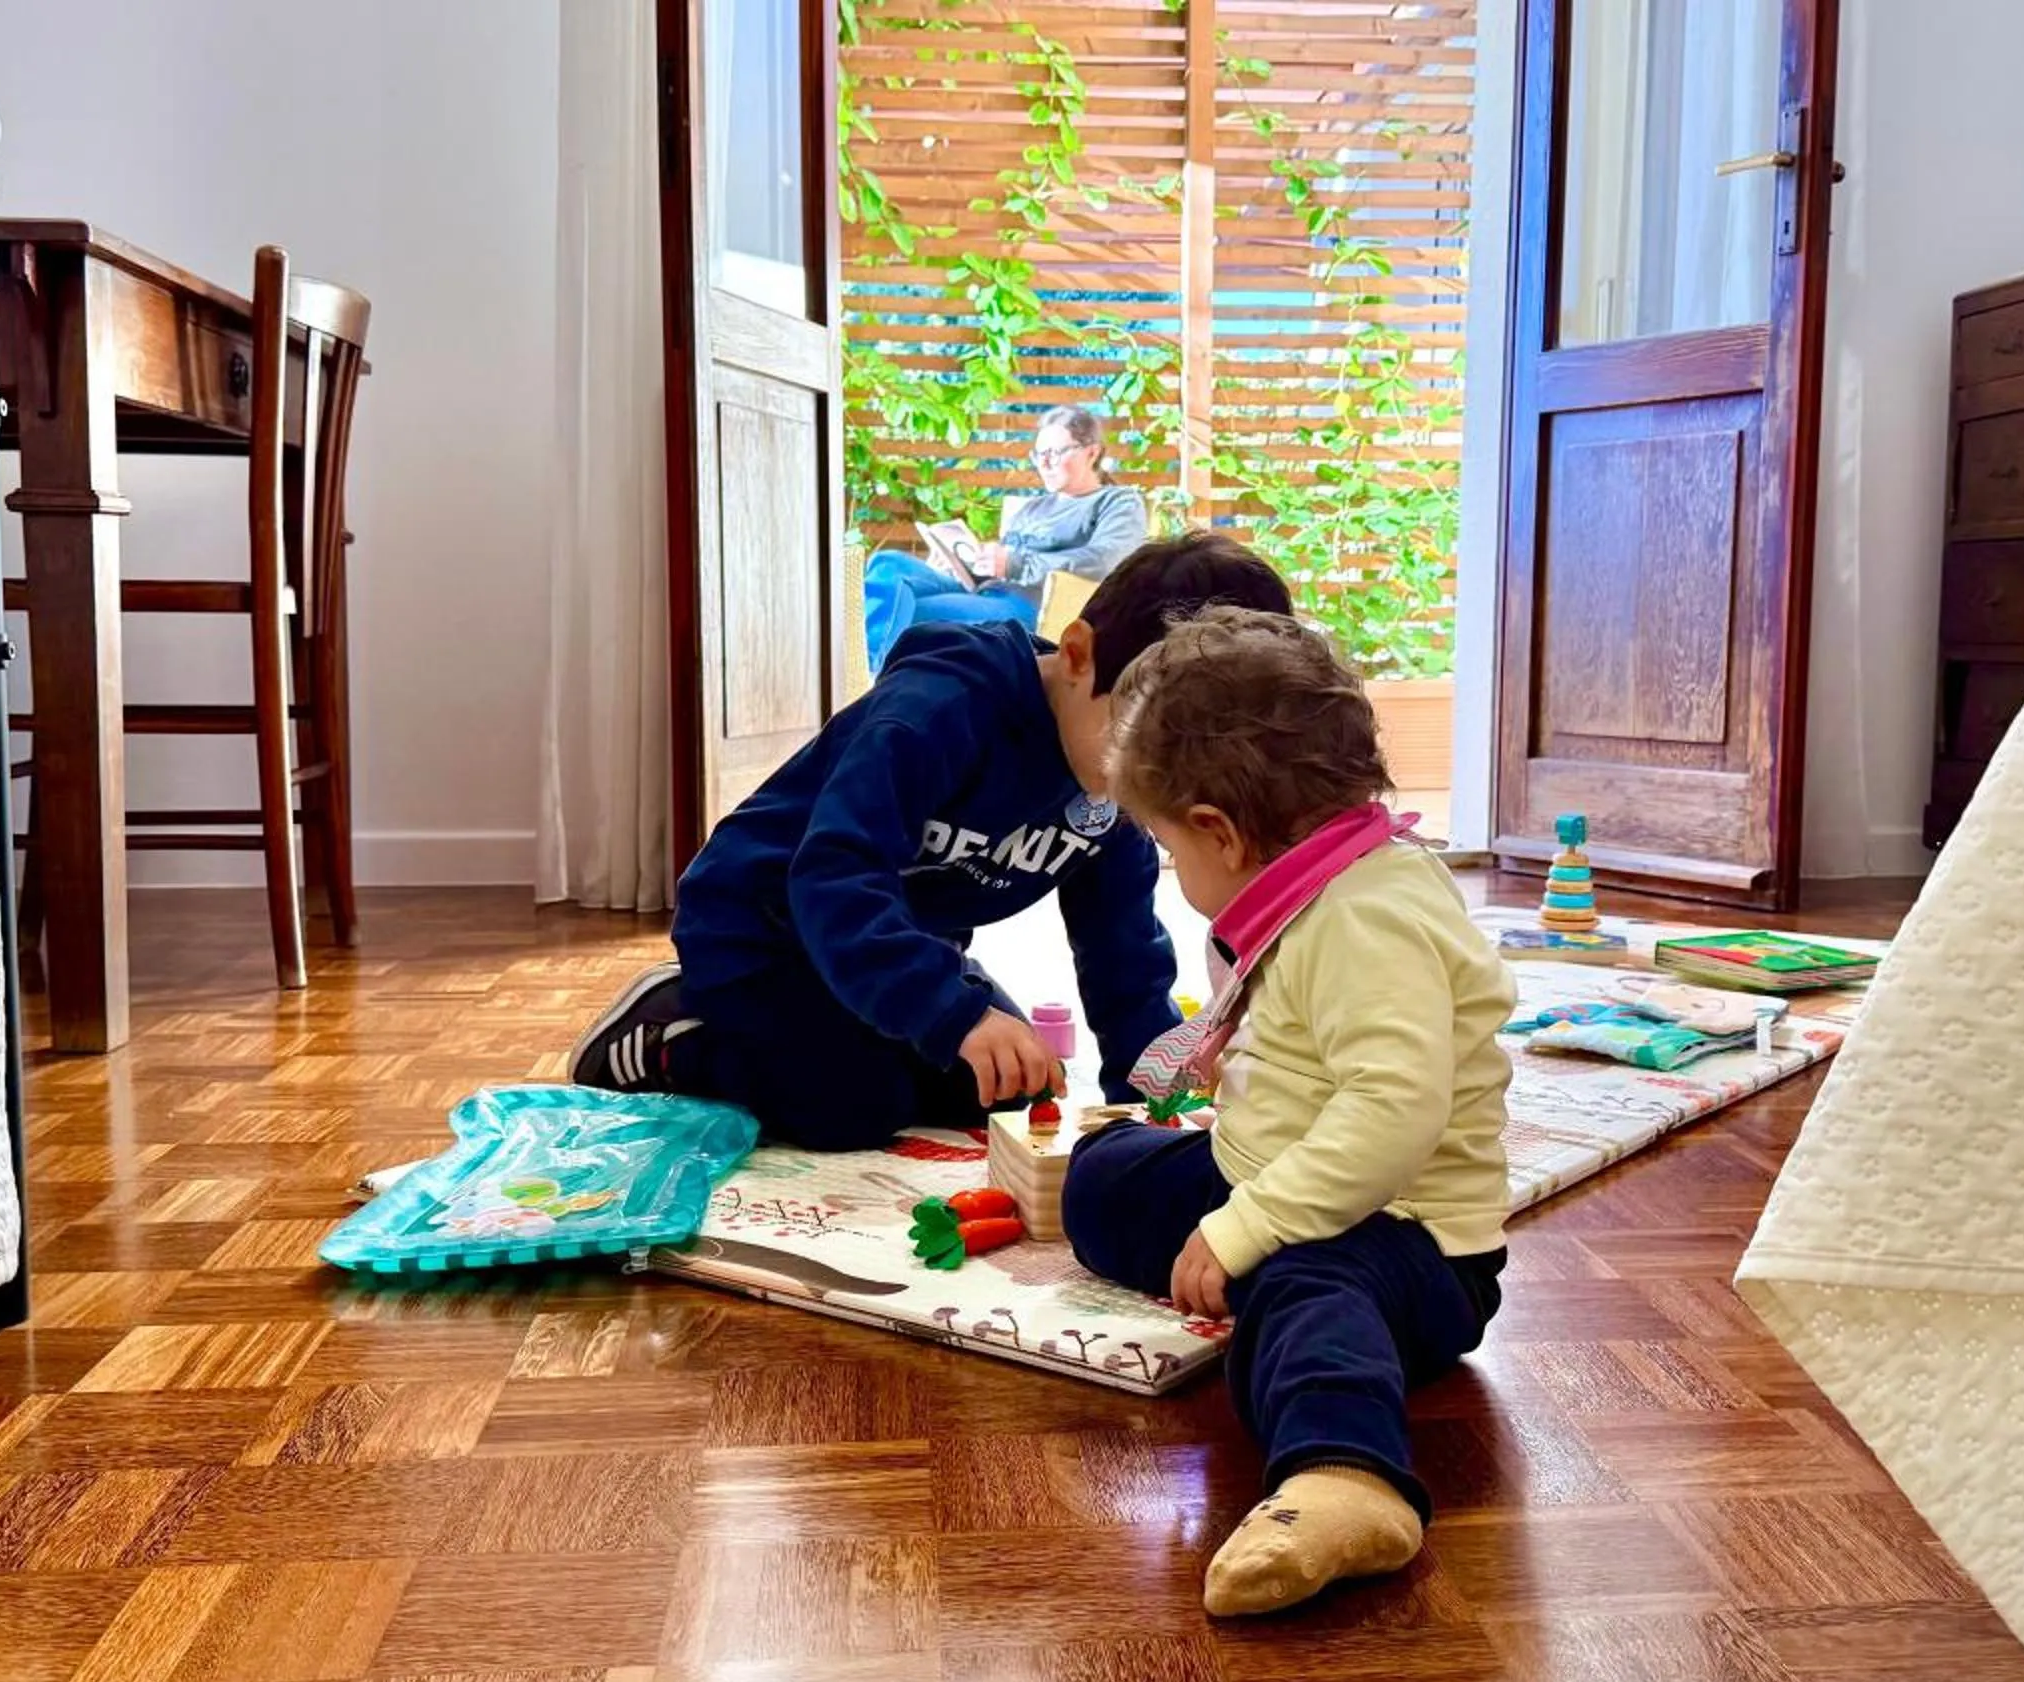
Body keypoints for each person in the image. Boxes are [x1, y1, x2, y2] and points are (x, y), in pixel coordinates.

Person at [1058, 608, 1514, 1618]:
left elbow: (1394, 1109)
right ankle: (1242, 1245)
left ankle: (1345, 1477)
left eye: (1171, 849)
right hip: (1285, 1173)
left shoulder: (1368, 916)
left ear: (1219, 828)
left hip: (1406, 1238)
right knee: (1102, 1180)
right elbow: (1319, 1050)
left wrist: (1248, 1226)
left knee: (1301, 1281)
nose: (1178, 876)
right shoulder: (1322, 886)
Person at [567, 533, 1294, 1152]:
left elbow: (1122, 952)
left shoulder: (1122, 784)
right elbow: (832, 873)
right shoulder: (939, 711)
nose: (1157, 777)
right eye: (1147, 740)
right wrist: (956, 1014)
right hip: (764, 932)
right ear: (1078, 655)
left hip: (896, 944)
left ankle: (875, 1026)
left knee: (1007, 1091)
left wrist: (1152, 1101)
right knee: (855, 1106)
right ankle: (672, 1031)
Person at [860, 404, 1152, 671]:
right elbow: (1002, 564)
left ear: (1092, 452)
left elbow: (1109, 561)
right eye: (1039, 454)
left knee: (903, 612)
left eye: (1057, 452)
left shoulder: (1117, 502)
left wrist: (1014, 564)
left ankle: (870, 682)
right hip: (987, 592)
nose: (1045, 463)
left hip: (1030, 608)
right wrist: (961, 564)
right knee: (888, 564)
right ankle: (874, 673)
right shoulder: (1035, 506)